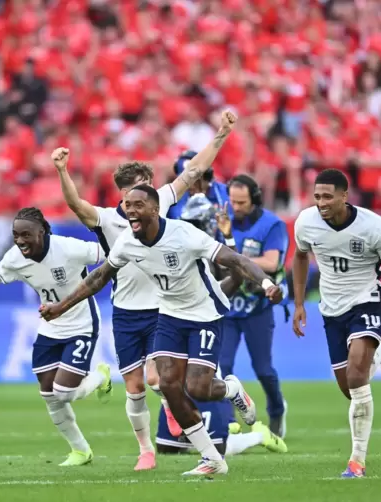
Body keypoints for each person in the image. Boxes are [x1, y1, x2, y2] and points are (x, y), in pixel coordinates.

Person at [40, 185, 284, 477]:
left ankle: (231, 389)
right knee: (169, 386)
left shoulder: (184, 234)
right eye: (126, 204)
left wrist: (268, 285)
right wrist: (62, 306)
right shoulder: (127, 242)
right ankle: (212, 459)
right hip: (169, 314)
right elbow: (99, 278)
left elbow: (236, 261)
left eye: (138, 204)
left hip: (205, 313)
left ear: (155, 209)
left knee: (198, 389)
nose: (130, 210)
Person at [50, 109, 238, 471]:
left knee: (157, 378)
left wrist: (220, 135)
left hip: (161, 307)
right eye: (126, 192)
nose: (132, 199)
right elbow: (75, 204)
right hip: (125, 312)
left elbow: (193, 171)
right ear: (120, 193)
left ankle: (174, 410)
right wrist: (62, 170)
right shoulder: (106, 218)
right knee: (134, 387)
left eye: (139, 189)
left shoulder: (160, 204)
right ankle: (145, 450)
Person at [0, 207, 111, 467]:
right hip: (49, 327)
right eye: (16, 235)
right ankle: (80, 451)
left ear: (43, 231)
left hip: (82, 324)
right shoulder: (15, 258)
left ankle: (101, 376)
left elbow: (111, 254)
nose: (20, 240)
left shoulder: (69, 248)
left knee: (65, 393)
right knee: (49, 394)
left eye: (26, 234)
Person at [291, 169, 381, 479]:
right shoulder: (306, 222)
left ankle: (357, 461)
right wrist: (300, 303)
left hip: (365, 301)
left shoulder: (373, 227)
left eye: (328, 196)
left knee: (357, 375)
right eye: (317, 197)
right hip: (331, 310)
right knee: (351, 387)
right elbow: (300, 257)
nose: (321, 203)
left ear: (345, 195)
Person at [154, 194, 287, 457]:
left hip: (203, 326)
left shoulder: (206, 248)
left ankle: (251, 434)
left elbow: (234, 277)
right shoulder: (173, 245)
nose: (193, 225)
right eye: (190, 221)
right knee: (168, 446)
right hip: (175, 322)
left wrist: (229, 242)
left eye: (198, 221)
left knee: (217, 440)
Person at [215, 174, 289, 437]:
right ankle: (227, 421)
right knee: (222, 366)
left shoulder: (272, 225)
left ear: (255, 199)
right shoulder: (224, 222)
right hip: (229, 307)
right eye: (232, 201)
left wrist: (238, 260)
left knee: (264, 369)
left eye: (242, 202)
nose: (235, 208)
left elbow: (272, 263)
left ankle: (278, 410)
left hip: (257, 307)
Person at [166, 149, 230, 220]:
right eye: (184, 181)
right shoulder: (173, 200)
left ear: (207, 176)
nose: (190, 186)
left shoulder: (226, 194)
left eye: (195, 180)